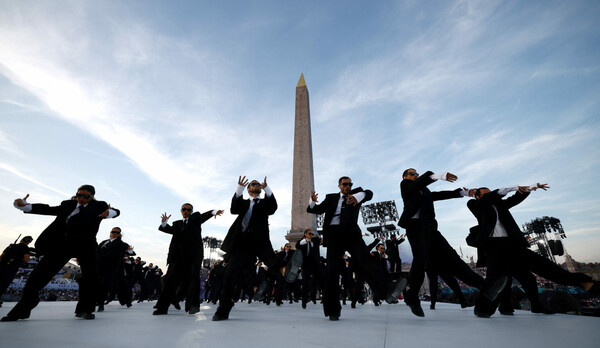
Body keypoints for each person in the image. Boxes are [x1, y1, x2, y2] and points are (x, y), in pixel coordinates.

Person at [468, 183, 599, 317]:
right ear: (477, 197)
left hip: (513, 245)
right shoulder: (474, 205)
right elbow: (487, 199)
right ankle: (483, 310)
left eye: (490, 193)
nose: (490, 195)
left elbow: (515, 199)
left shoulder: (500, 205)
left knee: (536, 272)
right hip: (495, 247)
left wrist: (528, 188)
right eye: (485, 194)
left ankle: (583, 284)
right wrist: (510, 188)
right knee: (495, 280)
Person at [2, 185, 119, 321]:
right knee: (37, 276)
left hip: (85, 246)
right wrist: (25, 206)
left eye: (85, 196)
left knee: (90, 277)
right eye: (79, 195)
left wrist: (109, 213)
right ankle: (22, 309)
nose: (81, 199)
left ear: (92, 196)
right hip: (62, 245)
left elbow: (116, 211)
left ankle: (85, 310)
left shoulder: (98, 206)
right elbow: (49, 209)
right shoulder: (68, 204)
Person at [307, 176, 406, 321]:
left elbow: (369, 193)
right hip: (334, 235)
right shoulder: (331, 198)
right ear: (339, 185)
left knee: (366, 259)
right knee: (332, 272)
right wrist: (312, 201)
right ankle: (333, 310)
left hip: (351, 233)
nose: (348, 186)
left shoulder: (357, 194)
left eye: (350, 184)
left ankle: (387, 289)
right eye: (345, 184)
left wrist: (358, 196)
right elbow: (313, 210)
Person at [398, 169, 482, 317]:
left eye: (416, 174)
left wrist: (461, 193)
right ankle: (412, 297)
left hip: (430, 228)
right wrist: (437, 176)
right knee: (420, 259)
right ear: (405, 177)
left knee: (452, 257)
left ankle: (483, 285)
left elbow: (439, 195)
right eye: (412, 174)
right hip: (415, 227)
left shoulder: (424, 190)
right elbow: (414, 186)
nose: (415, 175)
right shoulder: (406, 185)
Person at [212, 176, 285, 321]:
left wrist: (267, 189)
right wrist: (238, 189)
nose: (256, 185)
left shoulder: (264, 204)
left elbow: (273, 208)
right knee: (230, 276)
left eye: (258, 184)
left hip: (260, 241)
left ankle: (285, 269)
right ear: (249, 189)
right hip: (241, 243)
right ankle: (223, 310)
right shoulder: (243, 203)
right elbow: (234, 209)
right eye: (253, 184)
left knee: (272, 260)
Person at [153, 203, 223, 315]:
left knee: (193, 280)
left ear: (191, 211)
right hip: (177, 257)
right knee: (170, 281)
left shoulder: (195, 219)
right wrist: (164, 223)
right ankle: (162, 307)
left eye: (188, 209)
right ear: (181, 211)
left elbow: (203, 217)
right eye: (184, 209)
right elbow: (167, 230)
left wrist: (214, 212)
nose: (186, 211)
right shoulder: (177, 224)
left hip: (193, 257)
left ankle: (193, 305)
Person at [96, 227, 133, 312]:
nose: (115, 234)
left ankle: (101, 304)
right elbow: (96, 252)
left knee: (118, 285)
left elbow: (130, 252)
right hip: (100, 267)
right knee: (100, 284)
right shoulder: (104, 242)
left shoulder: (121, 243)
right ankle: (98, 301)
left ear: (119, 234)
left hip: (113, 268)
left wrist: (130, 251)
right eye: (113, 232)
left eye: (117, 232)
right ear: (110, 232)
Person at [295, 229, 325, 309]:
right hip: (306, 265)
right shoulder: (300, 242)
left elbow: (322, 240)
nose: (311, 235)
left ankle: (325, 298)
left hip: (315, 264)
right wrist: (306, 241)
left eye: (312, 234)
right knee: (305, 282)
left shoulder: (315, 241)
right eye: (309, 233)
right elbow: (297, 247)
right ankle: (304, 301)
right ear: (305, 234)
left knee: (321, 280)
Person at [0, 236, 33, 307]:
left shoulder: (11, 245)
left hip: (2, 266)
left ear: (21, 239)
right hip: (11, 268)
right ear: (29, 242)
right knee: (4, 284)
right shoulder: (25, 248)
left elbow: (1, 256)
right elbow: (26, 259)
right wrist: (20, 261)